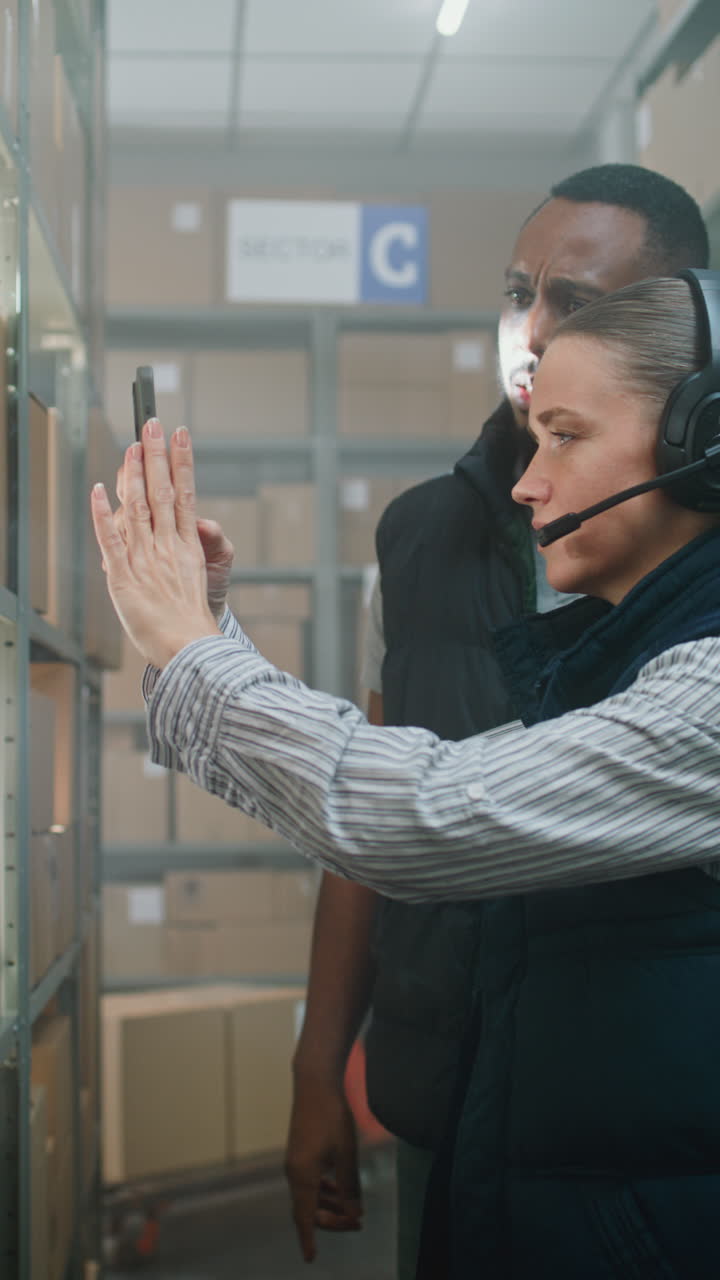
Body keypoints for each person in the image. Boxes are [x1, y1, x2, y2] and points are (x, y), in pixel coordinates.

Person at [93, 269, 720, 1277]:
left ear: (703, 443)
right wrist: (200, 637)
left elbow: (422, 813)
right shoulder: (633, 650)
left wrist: (192, 649)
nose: (527, 481)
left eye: (566, 434)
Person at [285, 164, 711, 1276]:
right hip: (443, 1080)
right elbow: (374, 802)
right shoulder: (422, 536)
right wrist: (316, 1066)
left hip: (631, 1111)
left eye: (578, 301)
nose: (533, 328)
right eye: (522, 289)